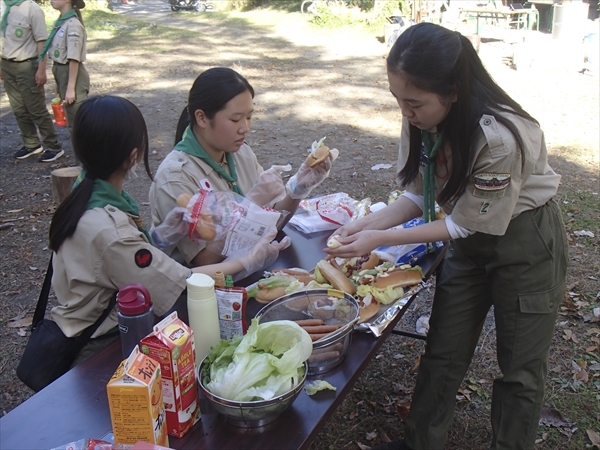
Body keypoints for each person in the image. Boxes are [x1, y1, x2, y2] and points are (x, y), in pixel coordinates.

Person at [325, 23, 567, 450]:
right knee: (443, 349)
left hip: (525, 244)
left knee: (520, 370)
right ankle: (420, 442)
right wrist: (369, 224)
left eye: (413, 102)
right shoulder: (421, 117)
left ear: (454, 91)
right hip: (468, 246)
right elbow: (421, 191)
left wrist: (381, 238)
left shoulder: (500, 136)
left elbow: (464, 222)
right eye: (398, 99)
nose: (405, 112)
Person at [48, 95, 288, 364]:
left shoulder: (87, 192)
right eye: (235, 118)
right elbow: (179, 280)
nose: (244, 127)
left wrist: (162, 236)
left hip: (98, 322)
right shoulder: (111, 228)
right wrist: (246, 260)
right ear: (133, 155)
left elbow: (123, 262)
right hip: (102, 344)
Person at [149, 67, 336, 267]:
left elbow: (272, 220)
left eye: (249, 117)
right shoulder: (176, 177)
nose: (245, 128)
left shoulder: (240, 153)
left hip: (249, 271)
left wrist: (297, 189)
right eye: (235, 119)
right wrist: (249, 207)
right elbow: (203, 261)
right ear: (202, 118)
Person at [0, 0, 64, 162]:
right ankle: (31, 144)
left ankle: (53, 146)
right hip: (7, 63)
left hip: (27, 65)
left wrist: (41, 69)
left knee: (35, 108)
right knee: (18, 108)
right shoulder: (3, 6)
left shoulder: (32, 9)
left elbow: (41, 41)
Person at [40, 0, 89, 138]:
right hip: (63, 74)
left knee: (77, 126)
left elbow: (74, 59)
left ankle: (84, 159)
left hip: (72, 76)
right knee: (72, 123)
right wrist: (59, 84)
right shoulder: (62, 22)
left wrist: (70, 88)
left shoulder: (73, 25)